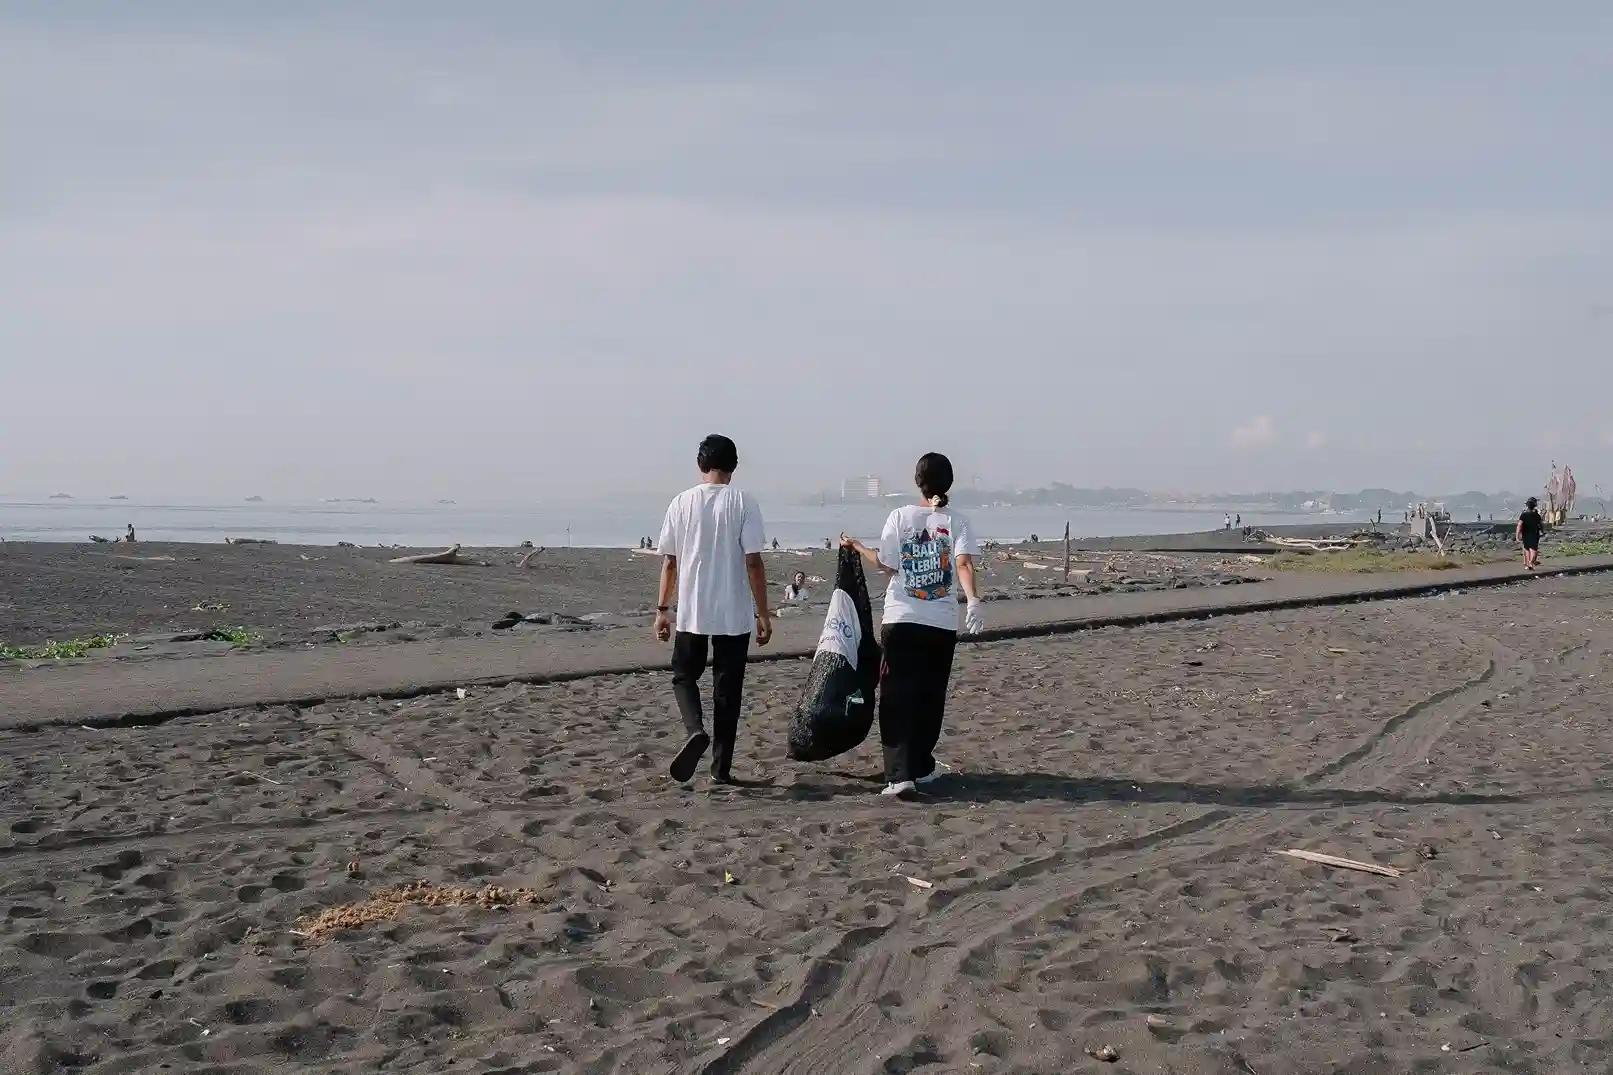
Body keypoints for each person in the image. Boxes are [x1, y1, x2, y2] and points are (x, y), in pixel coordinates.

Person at [842, 452, 984, 798]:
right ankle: (919, 766)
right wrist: (973, 599)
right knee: (929, 697)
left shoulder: (900, 517)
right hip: (940, 623)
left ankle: (901, 774)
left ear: (917, 481)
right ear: (948, 483)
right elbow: (963, 564)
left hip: (902, 621)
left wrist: (858, 546)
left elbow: (887, 564)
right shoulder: (958, 522)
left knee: (896, 697)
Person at [654, 434, 772, 784]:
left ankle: (694, 729)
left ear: (700, 465)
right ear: (734, 466)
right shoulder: (744, 502)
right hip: (734, 614)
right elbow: (753, 562)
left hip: (693, 610)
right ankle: (721, 769)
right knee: (728, 692)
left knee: (683, 675)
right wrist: (763, 613)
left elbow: (670, 563)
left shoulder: (681, 502)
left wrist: (662, 609)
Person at [1517, 496, 1544, 571]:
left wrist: (1517, 535)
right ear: (1535, 505)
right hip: (1534, 534)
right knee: (1533, 550)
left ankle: (1527, 564)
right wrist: (1543, 531)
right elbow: (1540, 524)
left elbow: (1519, 525)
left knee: (1526, 549)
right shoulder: (1537, 515)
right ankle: (1531, 562)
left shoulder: (1523, 515)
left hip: (1525, 534)